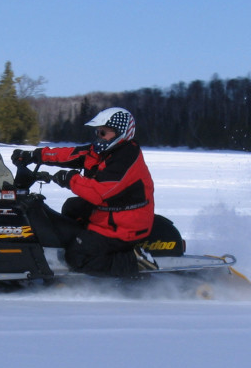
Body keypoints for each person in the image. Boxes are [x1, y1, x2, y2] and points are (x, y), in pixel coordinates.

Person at [12, 107, 158, 277]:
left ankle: (134, 261)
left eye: (104, 132)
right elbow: (73, 154)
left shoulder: (125, 159)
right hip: (112, 211)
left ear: (121, 133)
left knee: (77, 256)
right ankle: (85, 240)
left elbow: (98, 192)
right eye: (98, 132)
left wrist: (70, 179)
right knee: (71, 207)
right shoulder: (105, 151)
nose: (99, 136)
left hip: (126, 223)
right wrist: (36, 155)